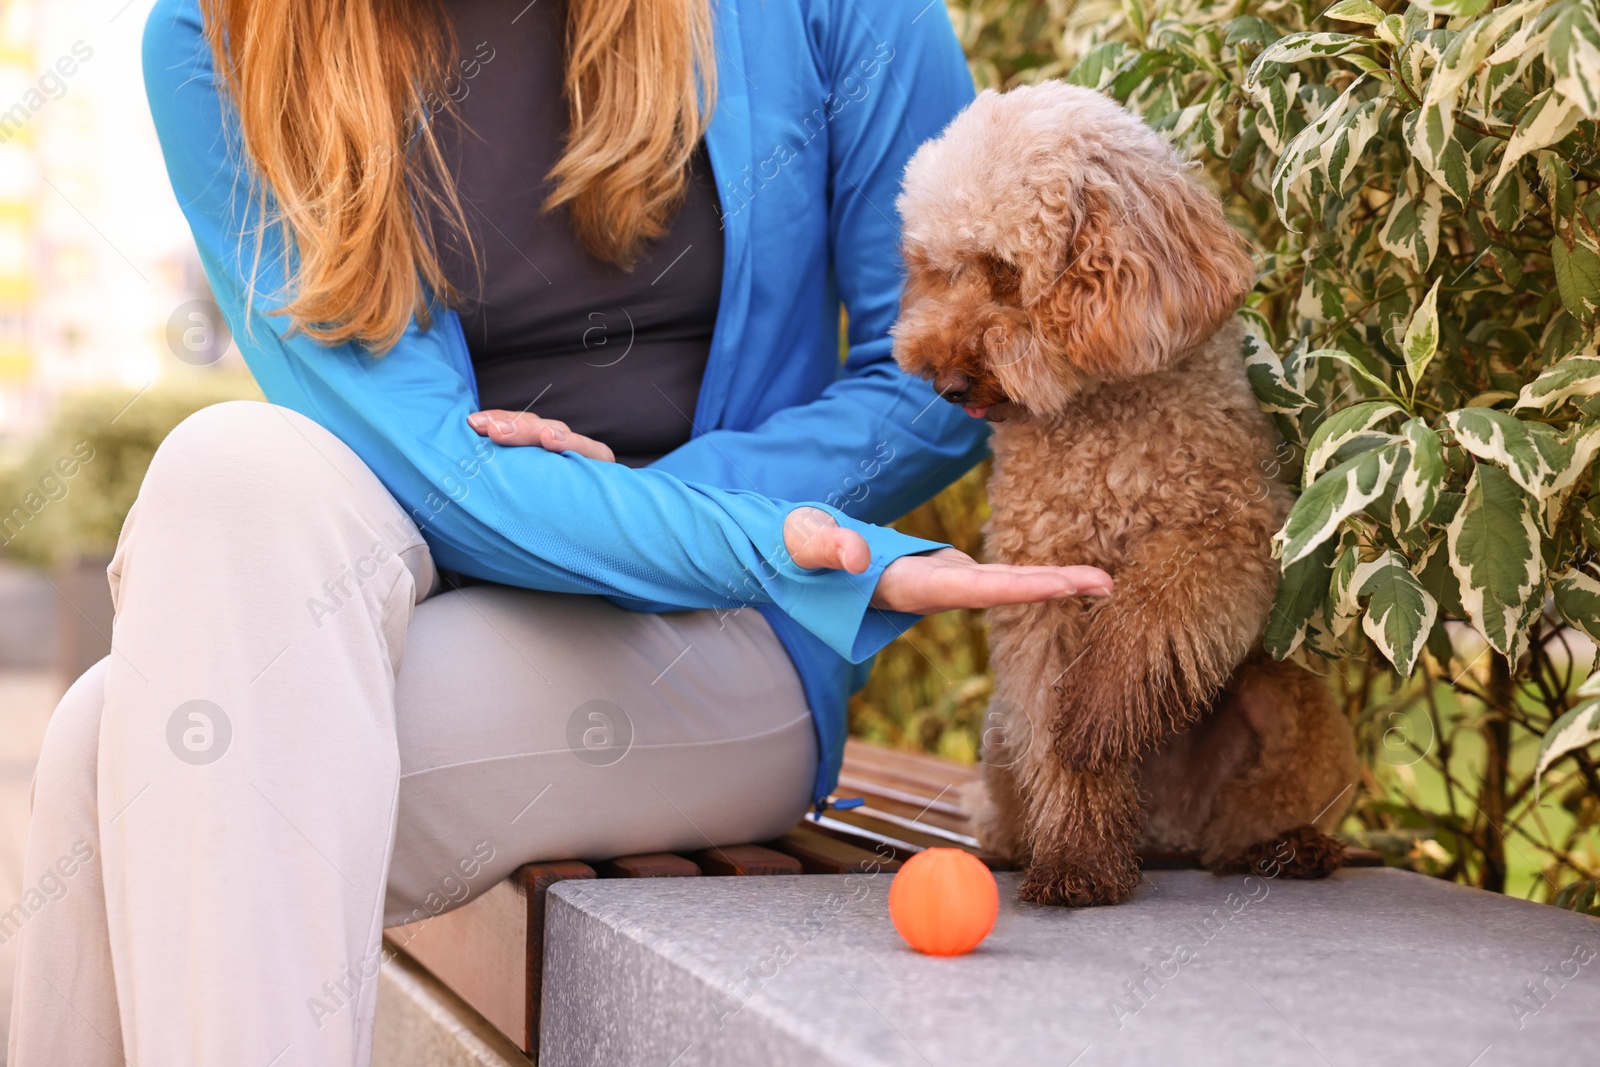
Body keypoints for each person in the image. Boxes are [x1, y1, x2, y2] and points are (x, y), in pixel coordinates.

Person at [7, 0, 1111, 1063]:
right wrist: (716, 527)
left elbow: (933, 382)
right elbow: (433, 473)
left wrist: (669, 505)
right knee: (230, 467)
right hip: (437, 595)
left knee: (110, 748)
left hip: (716, 635)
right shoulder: (220, 31)